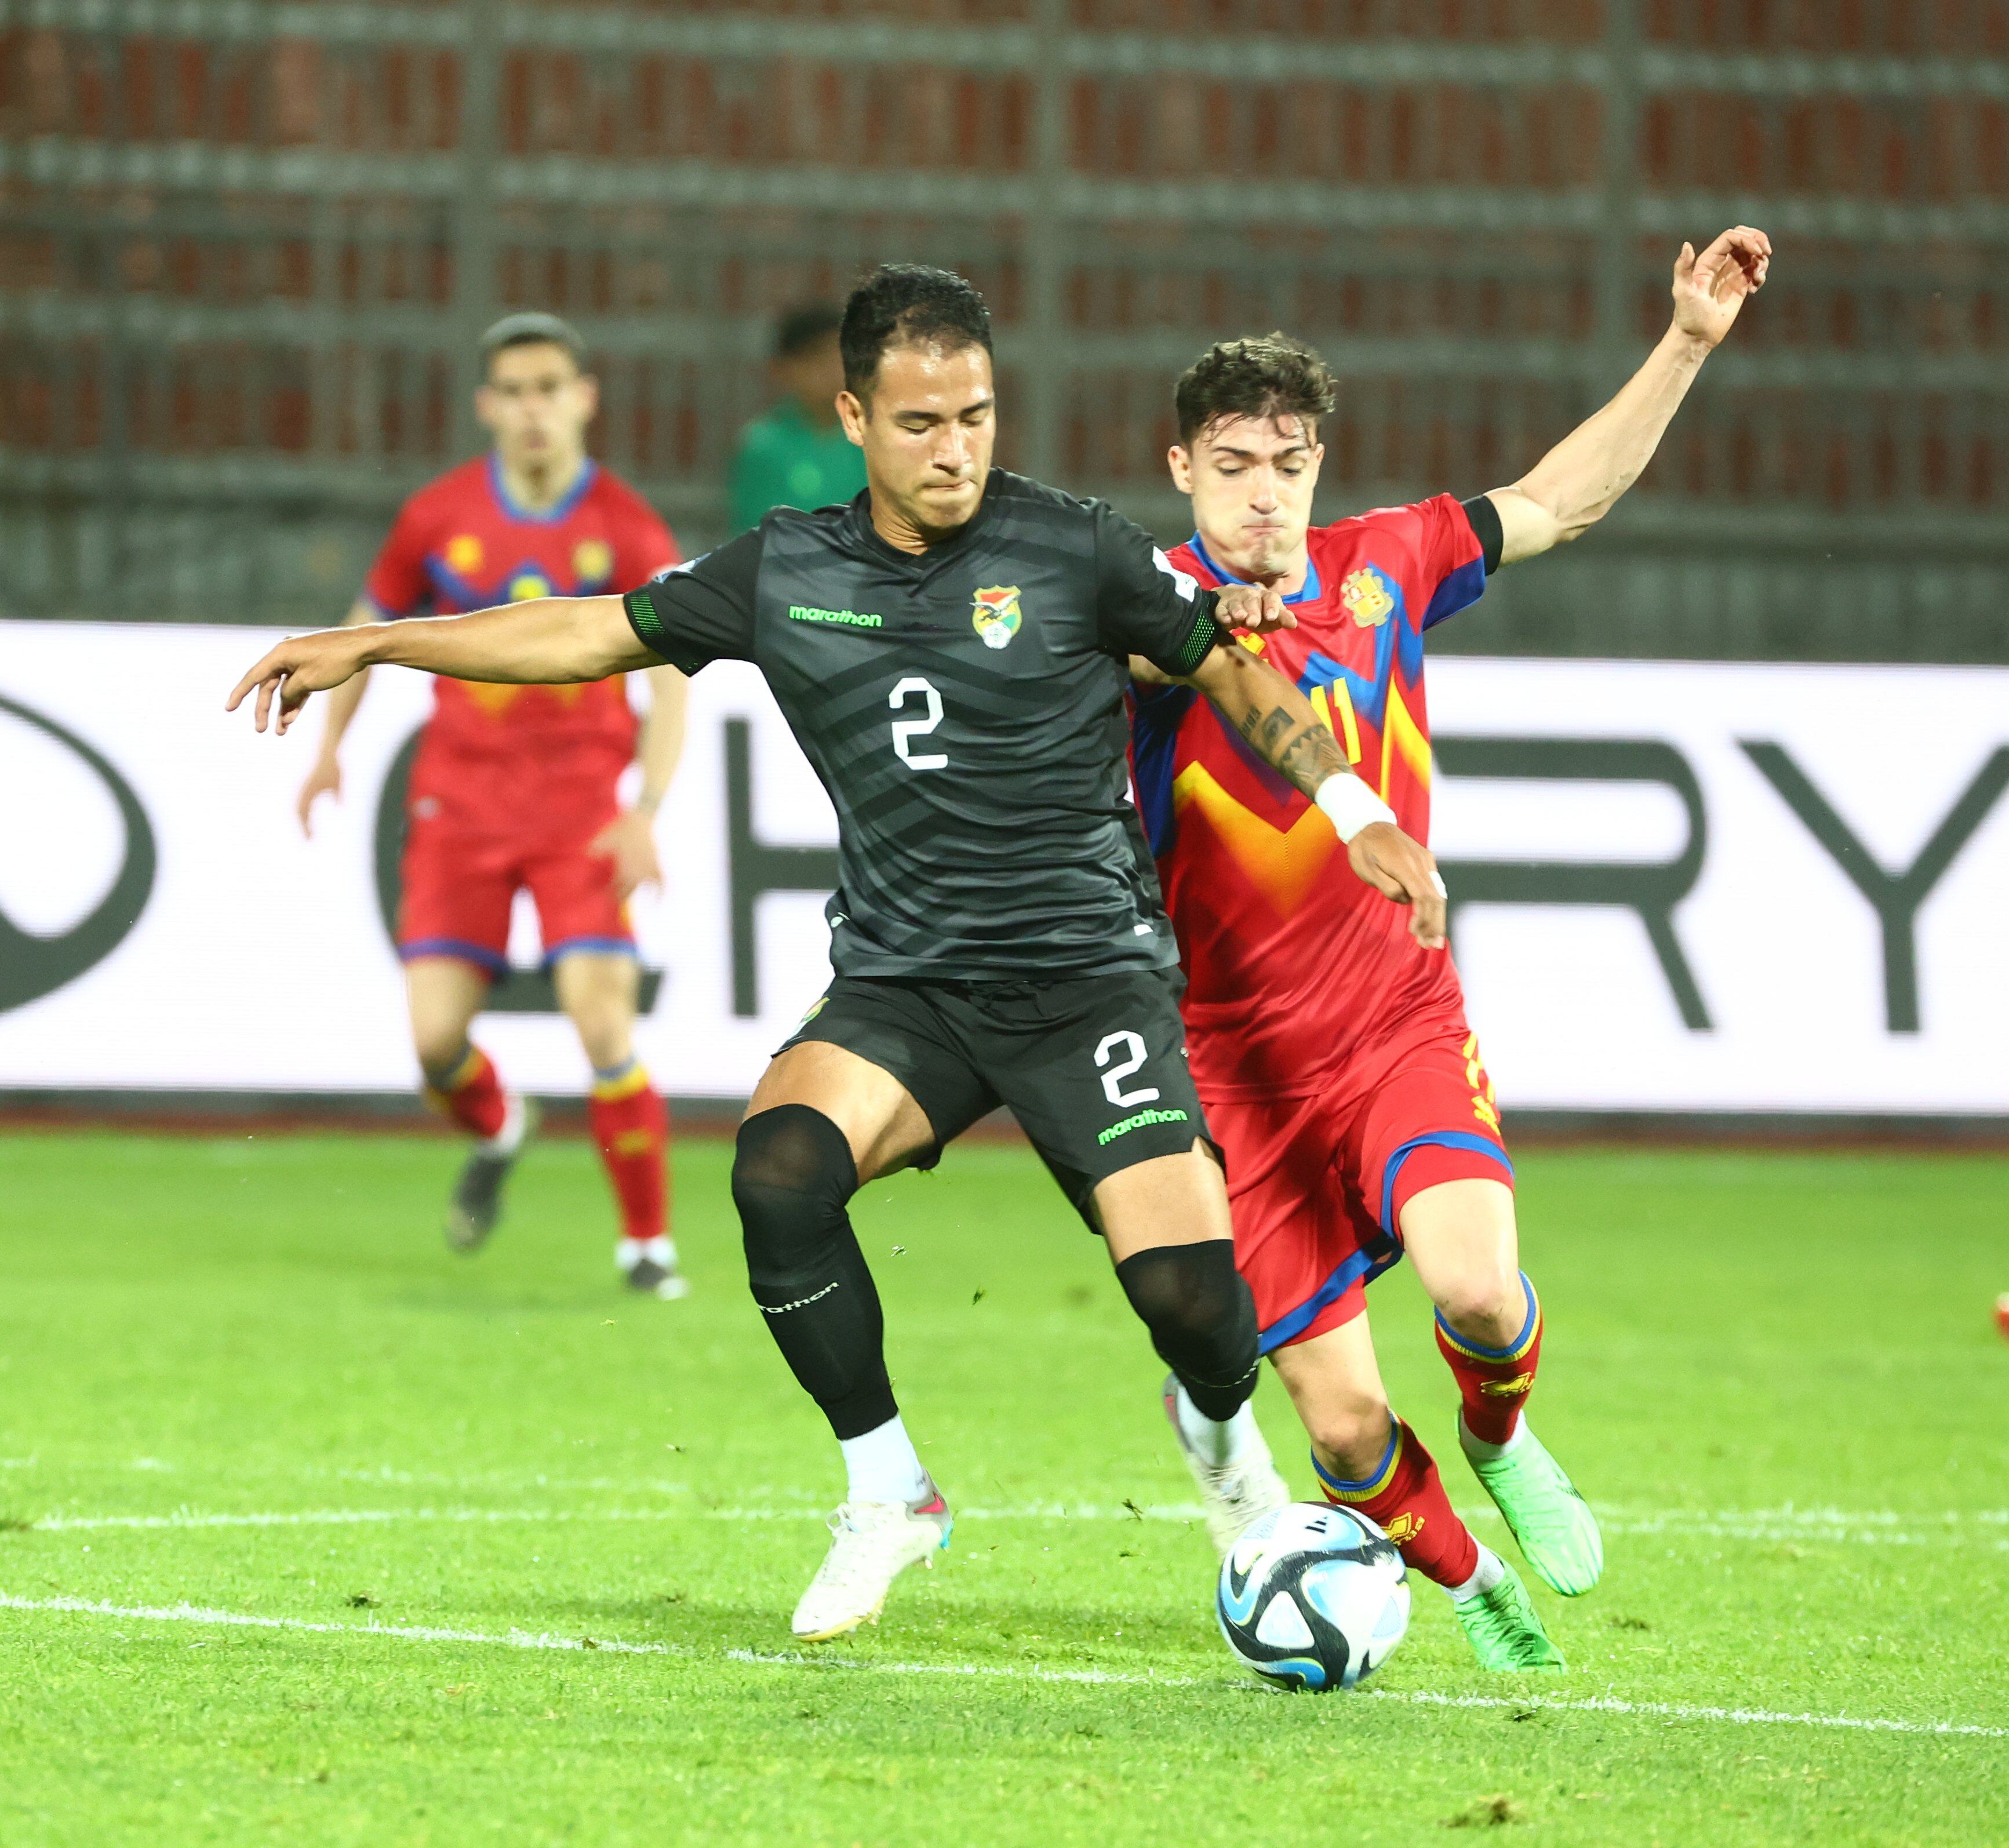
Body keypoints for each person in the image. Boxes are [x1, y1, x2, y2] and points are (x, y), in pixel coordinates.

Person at [227, 264, 1447, 1643]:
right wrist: (379, 643)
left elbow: (1229, 665)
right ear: (854, 417)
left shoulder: (1075, 548)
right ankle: (888, 1491)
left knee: (1192, 1301)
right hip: (908, 984)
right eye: (923, 423)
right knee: (779, 1169)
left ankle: (1226, 1452)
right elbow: (587, 632)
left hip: (1086, 974)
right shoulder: (787, 568)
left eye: (979, 417)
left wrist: (1353, 810)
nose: (958, 450)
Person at [1134, 228, 1771, 1669]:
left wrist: (1684, 343)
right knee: (1345, 1421)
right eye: (1232, 463)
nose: (1263, 491)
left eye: (1287, 461)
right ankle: (1472, 1583)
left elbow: (1563, 497)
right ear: (1183, 471)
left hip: (1393, 1021)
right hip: (1229, 1071)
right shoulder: (1142, 606)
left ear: (1317, 467)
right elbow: (1143, 657)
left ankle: (1507, 1437)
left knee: (1478, 1289)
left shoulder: (1390, 561)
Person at [294, 311, 691, 1298]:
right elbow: (363, 630)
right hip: (458, 810)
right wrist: (329, 748)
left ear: (584, 399)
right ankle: (501, 1123)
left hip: (576, 817)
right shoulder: (437, 517)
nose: (532, 410)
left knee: (601, 1024)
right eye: (513, 392)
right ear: (487, 407)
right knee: (433, 1044)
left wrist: (644, 805)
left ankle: (647, 1246)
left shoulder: (627, 527)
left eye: (550, 388)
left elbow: (676, 678)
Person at [726, 303, 867, 533]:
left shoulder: (876, 435)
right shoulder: (763, 444)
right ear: (781, 368)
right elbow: (752, 535)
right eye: (815, 357)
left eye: (839, 356)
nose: (831, 368)